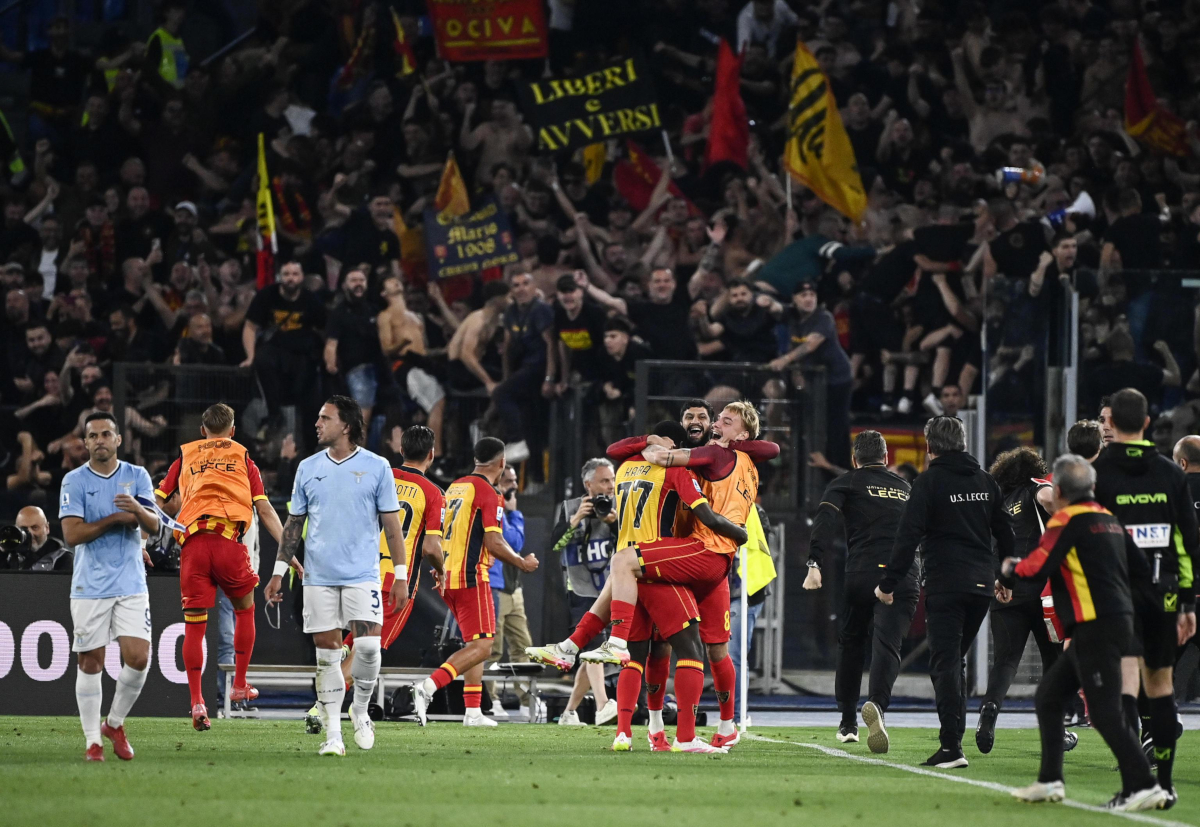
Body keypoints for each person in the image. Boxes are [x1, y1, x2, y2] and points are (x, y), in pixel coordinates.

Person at [1002, 455, 1167, 813]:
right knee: (1049, 696)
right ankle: (1050, 780)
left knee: (1104, 712)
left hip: (1095, 626)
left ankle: (1144, 784)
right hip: (1117, 621)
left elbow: (1036, 566)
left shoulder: (1065, 520)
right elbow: (1141, 571)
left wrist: (1008, 570)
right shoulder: (1109, 520)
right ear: (1092, 487)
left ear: (1059, 491)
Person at [266, 396, 407, 756]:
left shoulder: (377, 467)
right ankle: (333, 735)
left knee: (368, 649)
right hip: (318, 578)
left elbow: (392, 527)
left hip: (363, 575)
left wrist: (401, 575)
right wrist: (279, 570)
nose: (317, 423)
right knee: (327, 657)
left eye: (325, 418)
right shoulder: (307, 468)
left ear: (346, 425)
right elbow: (293, 525)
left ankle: (359, 708)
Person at [875, 415, 1015, 769]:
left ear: (930, 446)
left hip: (946, 584)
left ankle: (951, 747)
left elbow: (907, 536)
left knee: (945, 663)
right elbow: (1006, 532)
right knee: (954, 661)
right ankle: (954, 743)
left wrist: (888, 583)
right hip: (981, 586)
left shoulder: (928, 482)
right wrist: (1006, 579)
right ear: (963, 442)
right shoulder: (985, 481)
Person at [153, 403, 291, 731]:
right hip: (228, 542)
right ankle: (240, 684)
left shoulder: (184, 456)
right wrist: (289, 551)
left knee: (194, 628)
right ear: (233, 432)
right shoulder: (244, 458)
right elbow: (266, 510)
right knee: (244, 611)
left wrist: (146, 541)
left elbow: (155, 502)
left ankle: (197, 702)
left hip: (193, 547)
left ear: (202, 431)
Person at [1093, 388, 1198, 806]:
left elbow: (1089, 541)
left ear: (1111, 423)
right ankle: (1165, 785)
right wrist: (1187, 602)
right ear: (1148, 423)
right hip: (1164, 593)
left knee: (1125, 687)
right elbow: (1187, 543)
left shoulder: (1099, 474)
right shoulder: (1172, 474)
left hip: (1117, 594)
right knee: (1161, 687)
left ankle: (1135, 784)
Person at [410, 438, 539, 727]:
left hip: (447, 576)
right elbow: (494, 542)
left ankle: (472, 711)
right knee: (484, 647)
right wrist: (522, 563)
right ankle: (428, 687)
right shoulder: (489, 493)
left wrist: (440, 567)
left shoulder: (456, 486)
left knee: (473, 644)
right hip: (472, 577)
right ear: (502, 462)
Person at [804, 430, 916, 753]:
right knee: (887, 645)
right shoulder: (906, 488)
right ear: (886, 458)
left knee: (851, 642)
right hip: (902, 574)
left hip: (862, 573)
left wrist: (814, 562)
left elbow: (825, 518)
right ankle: (877, 705)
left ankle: (848, 722)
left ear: (855, 460)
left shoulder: (846, 482)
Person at [58, 412, 160, 761]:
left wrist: (137, 512)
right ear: (85, 442)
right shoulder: (74, 480)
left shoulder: (137, 475)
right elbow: (72, 535)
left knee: (139, 658)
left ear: (118, 439)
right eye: (93, 435)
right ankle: (93, 741)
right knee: (91, 663)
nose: (99, 440)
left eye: (106, 434)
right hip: (90, 585)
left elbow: (153, 526)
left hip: (131, 583)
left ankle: (114, 724)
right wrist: (118, 517)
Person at [976, 448, 1076, 754]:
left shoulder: (998, 501)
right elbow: (1048, 498)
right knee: (1053, 660)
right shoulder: (1035, 486)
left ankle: (989, 709)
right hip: (1042, 590)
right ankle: (1055, 729)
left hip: (1005, 587)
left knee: (1005, 661)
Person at [341, 425, 446, 690]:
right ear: (431, 454)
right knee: (367, 653)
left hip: (360, 573)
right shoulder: (433, 493)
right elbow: (431, 547)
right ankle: (324, 704)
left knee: (356, 643)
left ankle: (338, 672)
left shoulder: (379, 477)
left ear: (401, 449)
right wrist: (441, 570)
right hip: (394, 583)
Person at [549, 457, 619, 726]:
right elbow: (555, 545)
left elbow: (632, 542)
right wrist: (577, 518)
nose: (610, 486)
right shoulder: (569, 507)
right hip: (580, 590)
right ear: (588, 484)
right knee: (594, 648)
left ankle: (569, 713)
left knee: (593, 653)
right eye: (604, 481)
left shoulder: (619, 506)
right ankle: (602, 705)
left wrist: (613, 522)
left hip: (610, 588)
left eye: (612, 480)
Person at [771, 279, 853, 472]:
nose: (809, 299)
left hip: (836, 380)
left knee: (836, 425)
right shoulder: (794, 317)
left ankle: (837, 469)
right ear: (794, 299)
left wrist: (785, 360)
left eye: (812, 295)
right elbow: (776, 310)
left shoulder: (823, 317)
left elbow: (810, 345)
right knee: (810, 424)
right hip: (814, 381)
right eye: (803, 295)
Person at [489, 464, 540, 716]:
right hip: (495, 588)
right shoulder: (494, 508)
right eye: (507, 481)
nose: (513, 486)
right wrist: (514, 512)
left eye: (514, 481)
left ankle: (525, 701)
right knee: (492, 649)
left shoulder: (506, 511)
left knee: (523, 646)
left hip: (513, 589)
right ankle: (491, 701)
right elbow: (513, 541)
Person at [14, 505, 70, 570]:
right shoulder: (9, 556)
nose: (30, 533)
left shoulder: (62, 558)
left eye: (35, 527)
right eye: (23, 529)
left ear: (47, 528)